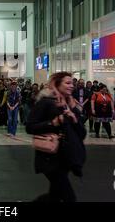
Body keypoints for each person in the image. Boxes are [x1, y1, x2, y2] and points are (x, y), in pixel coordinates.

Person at [26, 72, 86, 202]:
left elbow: (82, 134)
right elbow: (30, 127)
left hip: (66, 158)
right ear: (57, 84)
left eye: (72, 83)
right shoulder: (46, 103)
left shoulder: (72, 104)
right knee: (69, 198)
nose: (72, 86)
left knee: (54, 196)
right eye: (67, 83)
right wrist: (52, 123)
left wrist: (74, 119)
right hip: (49, 158)